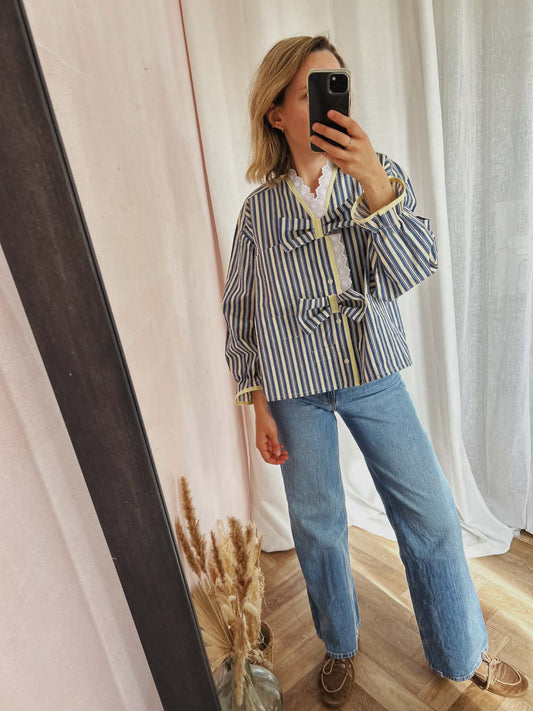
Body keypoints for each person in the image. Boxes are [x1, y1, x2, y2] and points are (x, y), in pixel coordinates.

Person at [222, 35, 528, 708]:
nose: (329, 104)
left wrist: (374, 184)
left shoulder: (378, 174)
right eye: (309, 92)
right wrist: (257, 401)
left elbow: (413, 268)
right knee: (317, 525)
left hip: (371, 370)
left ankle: (461, 649)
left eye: (337, 87)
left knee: (431, 515)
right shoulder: (257, 212)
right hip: (294, 383)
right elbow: (240, 308)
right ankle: (338, 644)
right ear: (277, 112)